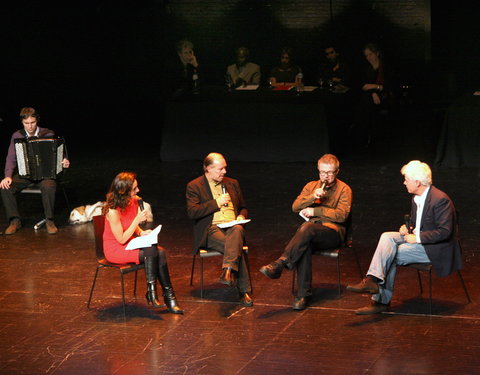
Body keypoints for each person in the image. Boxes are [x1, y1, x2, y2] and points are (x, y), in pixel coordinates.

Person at [347, 160, 463, 315]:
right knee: (387, 237)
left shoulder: (440, 200)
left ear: (417, 182)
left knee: (391, 254)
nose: (404, 183)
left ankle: (380, 300)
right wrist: (408, 229)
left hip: (436, 248)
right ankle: (372, 280)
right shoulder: (416, 198)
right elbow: (419, 224)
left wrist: (418, 238)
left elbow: (445, 232)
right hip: (419, 241)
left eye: (407, 180)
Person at [259, 154, 352, 310]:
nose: (326, 177)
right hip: (311, 233)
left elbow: (342, 216)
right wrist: (311, 197)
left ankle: (280, 263)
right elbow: (295, 207)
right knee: (304, 244)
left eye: (329, 173)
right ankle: (303, 296)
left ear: (337, 172)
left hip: (333, 233)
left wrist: (316, 210)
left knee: (306, 229)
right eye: (322, 172)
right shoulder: (311, 186)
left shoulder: (344, 189)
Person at [102, 172, 183, 314]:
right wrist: (136, 221)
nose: (138, 191)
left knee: (160, 251)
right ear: (123, 191)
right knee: (154, 252)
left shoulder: (133, 201)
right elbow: (121, 238)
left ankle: (163, 294)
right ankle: (160, 295)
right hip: (116, 249)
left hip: (129, 243)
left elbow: (131, 225)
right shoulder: (113, 211)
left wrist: (140, 232)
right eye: (134, 189)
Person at [186, 152, 253, 307]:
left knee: (237, 230)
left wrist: (241, 217)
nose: (224, 172)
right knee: (235, 247)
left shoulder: (232, 183)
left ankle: (228, 269)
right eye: (220, 169)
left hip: (233, 226)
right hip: (212, 229)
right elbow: (193, 212)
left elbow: (243, 207)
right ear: (208, 169)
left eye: (225, 168)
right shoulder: (195, 186)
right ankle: (244, 291)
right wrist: (216, 203)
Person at [0, 107, 70, 235]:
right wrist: (7, 176)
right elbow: (11, 158)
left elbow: (60, 153)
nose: (30, 126)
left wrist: (64, 161)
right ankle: (15, 221)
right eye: (26, 123)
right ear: (22, 122)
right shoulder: (17, 135)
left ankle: (50, 220)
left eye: (32, 123)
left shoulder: (48, 133)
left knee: (48, 186)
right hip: (26, 173)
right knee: (5, 187)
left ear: (37, 120)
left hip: (46, 174)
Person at [351, 42, 393, 147]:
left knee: (365, 101)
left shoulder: (385, 67)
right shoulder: (366, 69)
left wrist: (374, 88)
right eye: (366, 55)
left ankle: (362, 134)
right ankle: (364, 134)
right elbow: (363, 85)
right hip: (371, 96)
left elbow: (387, 86)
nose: (368, 57)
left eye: (370, 54)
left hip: (385, 95)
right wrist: (376, 89)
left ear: (377, 53)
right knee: (365, 100)